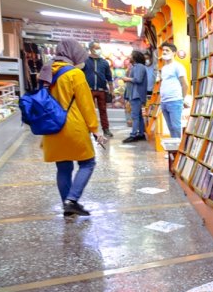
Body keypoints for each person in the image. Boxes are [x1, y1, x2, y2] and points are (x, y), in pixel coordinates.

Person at [42, 39, 106, 216]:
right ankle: (72, 200)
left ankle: (67, 206)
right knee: (88, 163)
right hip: (72, 126)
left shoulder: (47, 70)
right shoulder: (75, 74)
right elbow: (86, 104)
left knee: (63, 167)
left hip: (52, 127)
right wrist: (94, 129)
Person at [157, 42, 190, 138]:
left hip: (175, 101)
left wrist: (181, 99)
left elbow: (185, 85)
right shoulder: (164, 68)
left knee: (176, 127)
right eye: (163, 50)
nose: (164, 52)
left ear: (174, 53)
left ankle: (178, 146)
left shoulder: (178, 66)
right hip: (164, 102)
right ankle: (174, 146)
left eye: (167, 50)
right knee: (171, 128)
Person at [83, 41, 114, 137]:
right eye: (97, 48)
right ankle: (89, 129)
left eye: (99, 48)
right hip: (88, 90)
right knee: (89, 110)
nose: (99, 50)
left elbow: (109, 77)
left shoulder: (104, 62)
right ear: (91, 49)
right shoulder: (85, 61)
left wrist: (112, 90)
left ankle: (106, 129)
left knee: (103, 110)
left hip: (102, 90)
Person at [121, 50, 149, 143]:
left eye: (131, 56)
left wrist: (127, 79)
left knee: (135, 116)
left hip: (136, 95)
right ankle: (141, 134)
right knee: (138, 116)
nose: (129, 57)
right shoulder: (137, 67)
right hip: (135, 94)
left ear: (135, 57)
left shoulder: (139, 67)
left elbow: (138, 79)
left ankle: (133, 135)